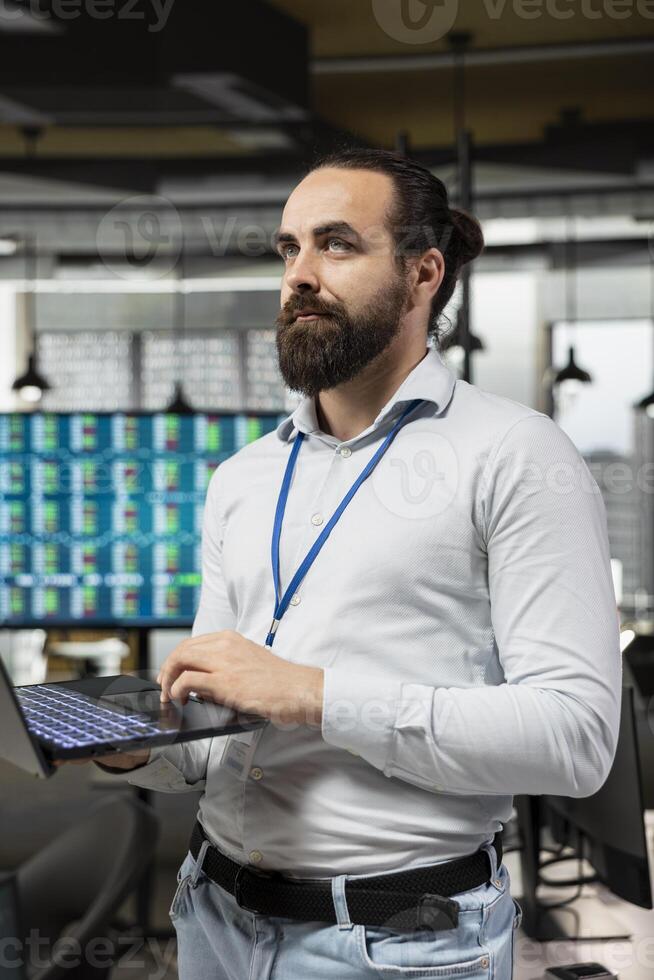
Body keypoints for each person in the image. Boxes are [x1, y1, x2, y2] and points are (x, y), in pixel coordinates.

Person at [80, 148, 622, 979]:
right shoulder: (243, 478)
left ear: (423, 274)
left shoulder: (515, 454)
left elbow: (577, 740)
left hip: (395, 942)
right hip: (211, 918)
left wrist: (315, 696)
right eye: (288, 248)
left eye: (336, 245)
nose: (300, 274)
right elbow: (218, 737)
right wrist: (129, 745)